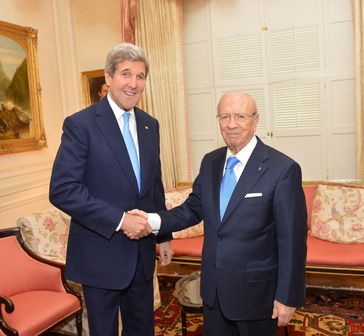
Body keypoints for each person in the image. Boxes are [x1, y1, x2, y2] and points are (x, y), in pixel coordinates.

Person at [129, 91, 307, 336]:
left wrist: (287, 296)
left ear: (256, 120)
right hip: (213, 292)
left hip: (256, 295)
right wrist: (151, 220)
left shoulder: (282, 169)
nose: (231, 124)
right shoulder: (210, 162)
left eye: (240, 116)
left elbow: (292, 242)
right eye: (225, 116)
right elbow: (193, 209)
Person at [49, 42, 173, 336]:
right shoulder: (81, 124)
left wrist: (164, 235)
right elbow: (63, 189)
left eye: (140, 76)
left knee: (142, 330)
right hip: (100, 254)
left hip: (142, 256)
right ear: (108, 77)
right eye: (126, 74)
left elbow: (154, 186)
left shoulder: (149, 125)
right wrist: (120, 220)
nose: (133, 84)